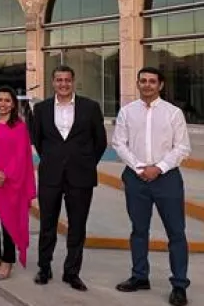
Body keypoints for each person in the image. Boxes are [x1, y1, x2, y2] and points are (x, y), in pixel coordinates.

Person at [111, 67, 191, 306]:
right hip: (136, 178)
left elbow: (182, 147)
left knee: (176, 232)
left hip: (167, 178)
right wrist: (139, 168)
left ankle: (179, 285)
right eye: (143, 81)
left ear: (160, 85)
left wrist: (159, 168)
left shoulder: (173, 113)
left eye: (152, 81)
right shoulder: (127, 112)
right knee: (139, 230)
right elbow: (119, 143)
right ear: (138, 84)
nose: (147, 85)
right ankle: (139, 277)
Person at [31, 65, 107, 291]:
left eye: (67, 80)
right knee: (47, 225)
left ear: (73, 82)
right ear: (53, 82)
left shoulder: (90, 107)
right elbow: (38, 140)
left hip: (81, 176)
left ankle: (72, 272)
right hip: (50, 175)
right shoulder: (41, 109)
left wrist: (84, 162)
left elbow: (100, 141)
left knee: (77, 226)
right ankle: (44, 268)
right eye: (59, 80)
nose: (63, 84)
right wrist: (54, 159)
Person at [0, 86, 36, 280]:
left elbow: (21, 156)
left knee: (9, 223)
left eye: (7, 100)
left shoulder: (20, 126)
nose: (2, 104)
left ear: (13, 104)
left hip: (11, 183)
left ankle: (8, 260)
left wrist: (4, 175)